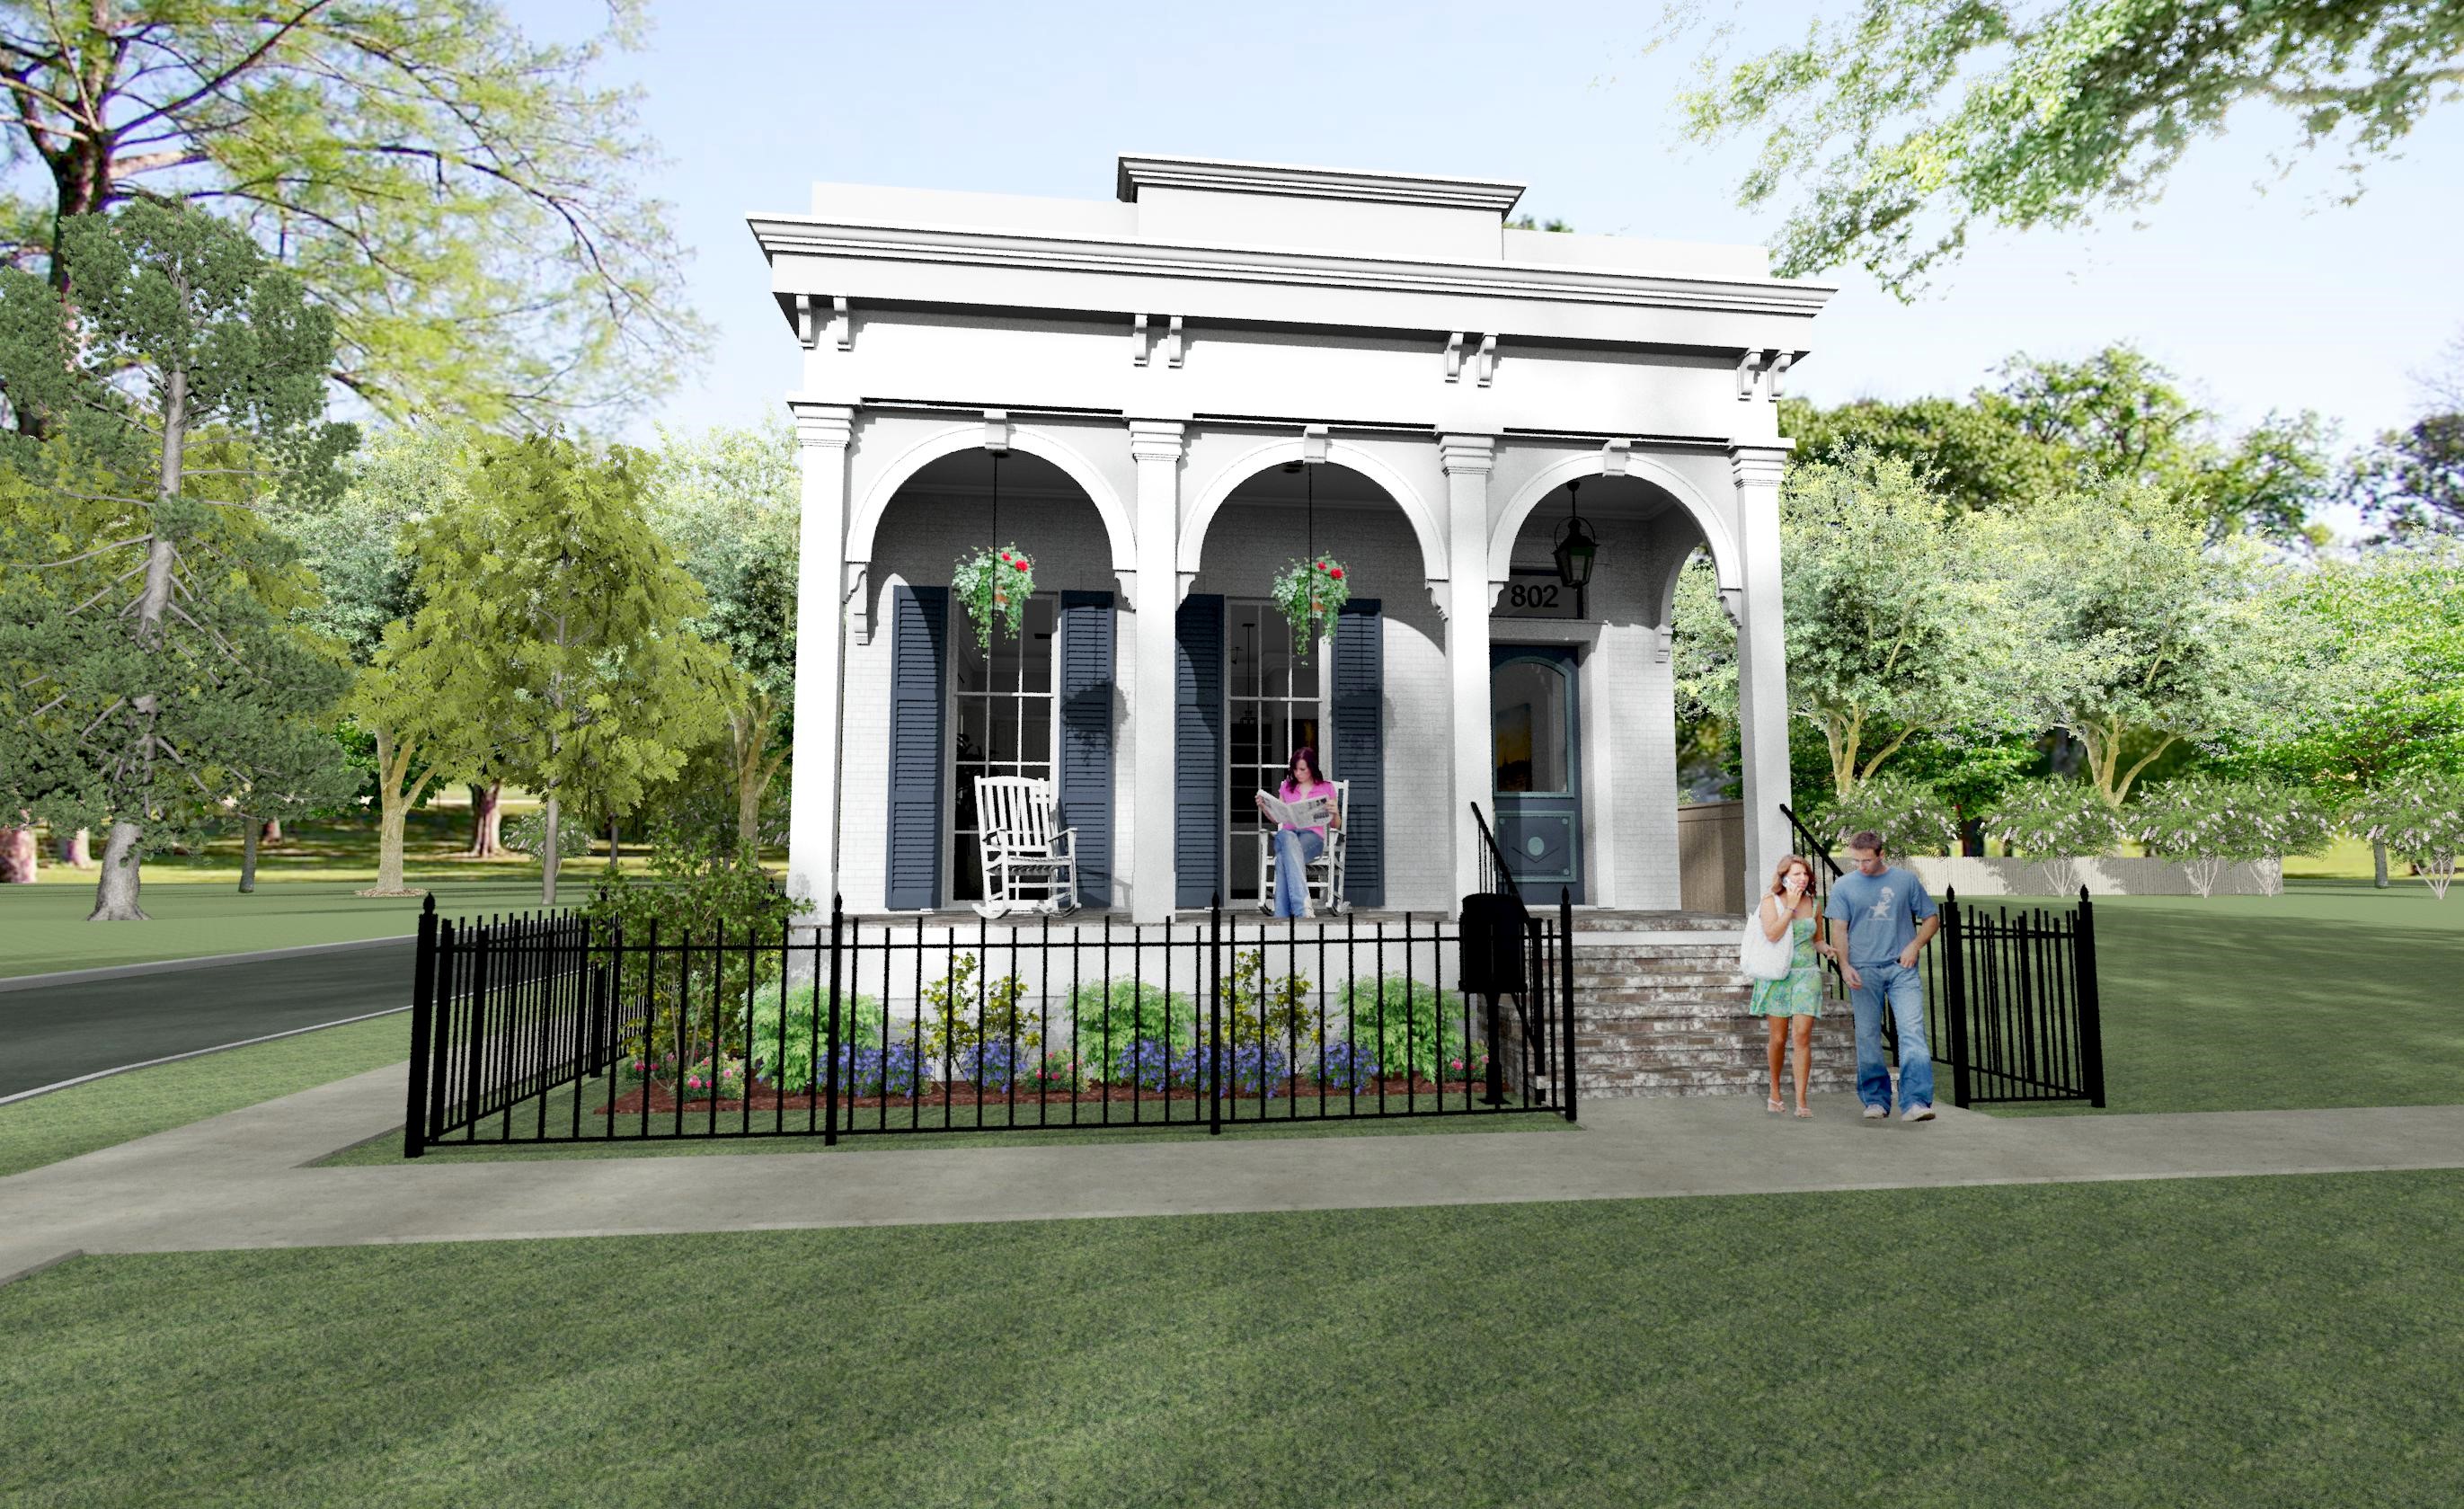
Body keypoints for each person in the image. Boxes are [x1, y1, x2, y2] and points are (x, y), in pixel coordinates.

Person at [1823, 830, 1942, 1123]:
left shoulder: (1905, 881)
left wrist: (1914, 945)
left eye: (1866, 860)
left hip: (1902, 969)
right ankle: (1875, 1100)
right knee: (1867, 1036)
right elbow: (1839, 930)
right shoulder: (1844, 886)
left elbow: (1931, 919)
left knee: (1912, 1032)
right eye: (1856, 861)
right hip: (1863, 970)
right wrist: (1845, 966)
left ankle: (1916, 1103)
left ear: (1881, 854)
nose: (1861, 866)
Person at [1749, 855, 1829, 1117]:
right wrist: (1790, 908)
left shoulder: (1814, 904)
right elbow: (1773, 934)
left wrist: (1827, 949)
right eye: (1796, 874)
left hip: (1807, 976)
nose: (1802, 878)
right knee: (1779, 1038)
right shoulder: (1770, 901)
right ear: (1784, 877)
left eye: (1805, 874)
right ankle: (1775, 1091)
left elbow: (1817, 939)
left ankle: (1802, 1101)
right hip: (1778, 976)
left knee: (1802, 1036)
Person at [1254, 747, 1340, 919]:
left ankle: (1281, 914)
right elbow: (1277, 819)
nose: (1298, 773)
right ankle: (1302, 908)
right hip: (1287, 835)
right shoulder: (1287, 787)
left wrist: (1335, 812)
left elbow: (1335, 825)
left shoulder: (1326, 787)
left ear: (1312, 767)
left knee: (1282, 859)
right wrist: (1264, 807)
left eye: (1302, 769)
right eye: (1295, 769)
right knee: (1286, 835)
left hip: (1312, 839)